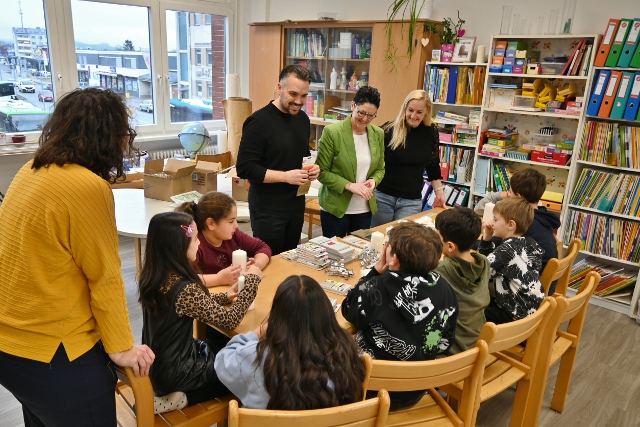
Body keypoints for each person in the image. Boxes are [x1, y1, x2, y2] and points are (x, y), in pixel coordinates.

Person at [0, 88, 154, 425]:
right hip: (52, 350)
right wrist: (122, 347)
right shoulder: (87, 187)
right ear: (109, 136)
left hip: (10, 345)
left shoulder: (30, 170)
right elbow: (105, 276)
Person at [138, 212, 262, 406]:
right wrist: (252, 280)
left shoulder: (155, 276)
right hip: (177, 371)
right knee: (243, 370)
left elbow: (189, 304)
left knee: (225, 350)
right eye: (195, 239)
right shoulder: (185, 288)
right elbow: (230, 320)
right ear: (179, 246)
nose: (199, 244)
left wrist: (224, 296)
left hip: (159, 365)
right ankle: (180, 399)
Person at [341, 222, 458, 410]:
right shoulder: (445, 288)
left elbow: (349, 309)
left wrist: (374, 272)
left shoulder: (376, 286)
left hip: (370, 389)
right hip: (417, 387)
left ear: (393, 259)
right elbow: (445, 343)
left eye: (387, 245)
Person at [214, 275, 366, 410]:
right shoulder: (346, 354)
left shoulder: (254, 357)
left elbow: (222, 360)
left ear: (276, 318)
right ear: (326, 316)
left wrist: (259, 331)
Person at [236, 64, 320, 255]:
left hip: (295, 205)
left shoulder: (303, 119)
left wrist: (312, 168)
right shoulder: (258, 122)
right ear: (279, 88)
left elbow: (303, 155)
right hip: (267, 209)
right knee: (268, 261)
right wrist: (285, 177)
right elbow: (245, 168)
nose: (298, 101)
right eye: (293, 94)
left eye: (304, 96)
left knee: (289, 258)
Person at [474, 168, 560, 293]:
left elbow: (485, 267)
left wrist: (464, 240)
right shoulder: (542, 217)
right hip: (537, 287)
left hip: (520, 293)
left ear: (518, 197)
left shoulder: (523, 224)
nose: (508, 195)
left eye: (510, 192)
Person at [317, 86, 385, 237]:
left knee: (360, 249)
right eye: (361, 112)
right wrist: (349, 185)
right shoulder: (333, 132)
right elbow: (321, 172)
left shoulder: (378, 134)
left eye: (371, 115)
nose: (365, 119)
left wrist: (374, 180)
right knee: (335, 250)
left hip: (364, 209)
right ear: (353, 105)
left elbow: (380, 168)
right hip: (335, 208)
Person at [370, 90, 444, 227]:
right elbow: (372, 159)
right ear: (405, 108)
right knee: (377, 237)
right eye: (410, 110)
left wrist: (439, 192)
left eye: (419, 112)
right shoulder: (389, 129)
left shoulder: (431, 132)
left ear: (427, 111)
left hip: (411, 201)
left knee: (404, 239)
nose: (413, 116)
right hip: (383, 197)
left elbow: (433, 165)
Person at [177, 191, 271, 288]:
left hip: (229, 291)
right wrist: (218, 279)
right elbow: (182, 278)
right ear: (211, 224)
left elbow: (262, 247)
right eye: (231, 221)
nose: (236, 225)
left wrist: (256, 266)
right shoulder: (195, 244)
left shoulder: (234, 235)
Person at [478, 198, 545, 324]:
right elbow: (489, 265)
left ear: (511, 225)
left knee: (469, 306)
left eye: (495, 219)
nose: (492, 223)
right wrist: (487, 238)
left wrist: (485, 241)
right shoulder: (528, 243)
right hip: (530, 312)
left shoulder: (507, 250)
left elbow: (480, 271)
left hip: (513, 315)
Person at [434, 208, 490, 354]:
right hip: (476, 344)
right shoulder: (483, 262)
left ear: (450, 246)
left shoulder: (439, 271)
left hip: (449, 351)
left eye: (437, 237)